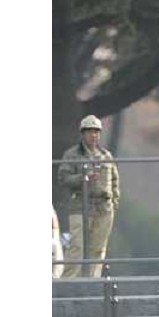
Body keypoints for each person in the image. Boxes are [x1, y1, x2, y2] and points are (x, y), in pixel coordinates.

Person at [57, 115, 120, 278]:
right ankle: (68, 285)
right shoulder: (71, 155)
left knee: (98, 250)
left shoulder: (106, 156)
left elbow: (114, 180)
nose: (94, 135)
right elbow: (63, 178)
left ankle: (93, 284)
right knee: (76, 248)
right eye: (90, 132)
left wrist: (114, 202)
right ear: (83, 133)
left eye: (96, 132)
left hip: (104, 208)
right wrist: (82, 177)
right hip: (80, 206)